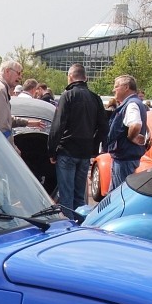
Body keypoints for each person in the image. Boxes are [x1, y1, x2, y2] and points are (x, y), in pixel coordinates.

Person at [47, 63, 108, 211]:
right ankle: (80, 221)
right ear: (85, 78)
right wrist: (93, 147)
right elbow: (104, 127)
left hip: (67, 151)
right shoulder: (95, 98)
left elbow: (58, 125)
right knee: (80, 197)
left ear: (70, 77)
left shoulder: (67, 96)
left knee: (66, 196)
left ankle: (68, 223)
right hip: (85, 153)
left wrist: (51, 151)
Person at [0, 60, 39, 142]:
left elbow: (5, 118)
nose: (20, 77)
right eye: (18, 73)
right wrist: (11, 147)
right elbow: (2, 127)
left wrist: (27, 122)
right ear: (7, 71)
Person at [105, 74, 148, 192]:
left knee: (119, 194)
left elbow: (136, 125)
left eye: (116, 86)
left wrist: (131, 137)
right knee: (117, 193)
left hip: (124, 159)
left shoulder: (131, 104)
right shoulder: (134, 103)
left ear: (126, 87)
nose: (114, 90)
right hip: (126, 157)